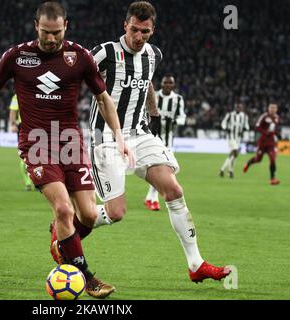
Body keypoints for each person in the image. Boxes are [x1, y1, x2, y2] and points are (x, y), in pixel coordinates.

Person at [0, 2, 132, 298]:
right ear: (36, 26)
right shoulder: (16, 56)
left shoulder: (80, 56)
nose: (51, 39)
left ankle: (61, 240)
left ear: (66, 26)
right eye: (46, 33)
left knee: (86, 215)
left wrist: (119, 136)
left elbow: (103, 98)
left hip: (71, 141)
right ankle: (86, 277)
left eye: (56, 32)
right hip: (36, 142)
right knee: (63, 208)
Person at [88, 1, 231, 283]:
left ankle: (196, 264)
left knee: (174, 190)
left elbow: (147, 81)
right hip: (105, 137)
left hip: (140, 134)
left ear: (153, 31)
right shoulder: (104, 53)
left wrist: (152, 112)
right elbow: (76, 79)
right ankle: (68, 224)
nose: (139, 38)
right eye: (134, 30)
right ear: (124, 26)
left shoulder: (153, 55)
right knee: (116, 213)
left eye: (146, 32)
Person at [144, 75, 186, 211]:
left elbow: (182, 117)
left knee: (165, 168)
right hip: (153, 138)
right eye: (165, 82)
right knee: (157, 167)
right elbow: (144, 112)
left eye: (170, 83)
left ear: (173, 85)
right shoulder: (153, 95)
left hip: (168, 139)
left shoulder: (178, 99)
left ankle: (150, 197)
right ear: (161, 84)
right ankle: (153, 199)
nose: (168, 85)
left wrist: (174, 121)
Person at [243, 103, 280, 185]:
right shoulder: (264, 116)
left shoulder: (277, 117)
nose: (273, 109)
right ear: (268, 108)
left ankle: (272, 179)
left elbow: (274, 129)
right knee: (258, 159)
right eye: (271, 107)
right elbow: (257, 127)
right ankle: (248, 164)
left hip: (271, 143)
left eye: (274, 108)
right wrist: (265, 132)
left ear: (276, 109)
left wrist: (276, 134)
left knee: (273, 159)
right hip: (262, 142)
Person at [8, 93, 34, 191]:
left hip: (39, 127)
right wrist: (13, 124)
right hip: (24, 127)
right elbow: (13, 111)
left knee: (39, 156)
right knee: (25, 156)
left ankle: (36, 180)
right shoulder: (17, 95)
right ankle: (28, 182)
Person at [219, 103, 249, 178]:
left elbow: (247, 126)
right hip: (231, 137)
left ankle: (228, 171)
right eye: (237, 107)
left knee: (234, 155)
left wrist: (245, 129)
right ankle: (224, 169)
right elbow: (223, 123)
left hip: (238, 139)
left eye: (239, 107)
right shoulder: (230, 115)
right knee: (235, 151)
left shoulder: (244, 116)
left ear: (241, 108)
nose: (238, 108)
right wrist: (226, 128)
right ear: (235, 108)